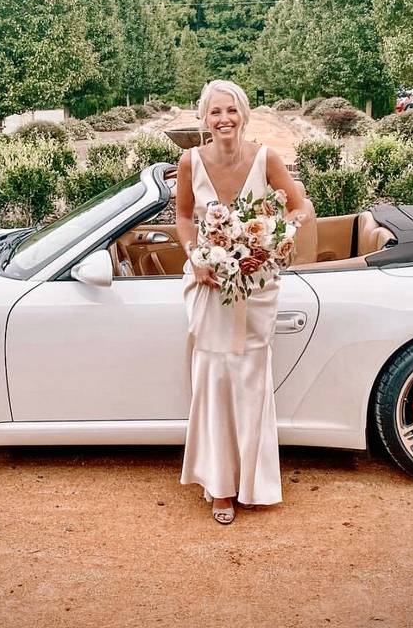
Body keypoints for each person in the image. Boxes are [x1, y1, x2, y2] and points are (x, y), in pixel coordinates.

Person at [177, 80, 305, 525]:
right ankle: (220, 488)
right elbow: (181, 216)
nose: (224, 119)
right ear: (204, 119)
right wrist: (196, 259)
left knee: (250, 380)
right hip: (211, 286)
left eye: (231, 110)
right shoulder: (189, 161)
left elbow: (298, 205)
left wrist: (274, 242)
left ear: (244, 115)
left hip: (256, 285)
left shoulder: (266, 158)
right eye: (215, 112)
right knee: (213, 380)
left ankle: (254, 484)